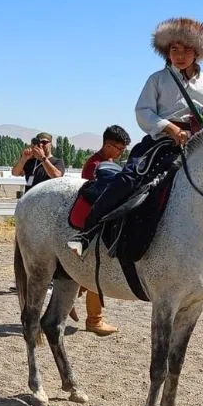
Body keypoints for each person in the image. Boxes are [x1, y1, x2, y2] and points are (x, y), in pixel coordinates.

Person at [68, 18, 203, 256]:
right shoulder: (158, 79)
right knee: (130, 178)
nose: (180, 55)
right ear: (167, 52)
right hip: (161, 142)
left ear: (198, 52)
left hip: (198, 144)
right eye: (174, 50)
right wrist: (170, 128)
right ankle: (88, 232)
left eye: (187, 49)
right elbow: (143, 112)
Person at [71, 125, 132, 336]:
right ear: (107, 145)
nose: (121, 152)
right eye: (119, 148)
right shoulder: (95, 166)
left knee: (92, 271)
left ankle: (70, 297)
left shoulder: (107, 163)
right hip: (94, 225)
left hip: (100, 222)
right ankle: (94, 320)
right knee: (96, 272)